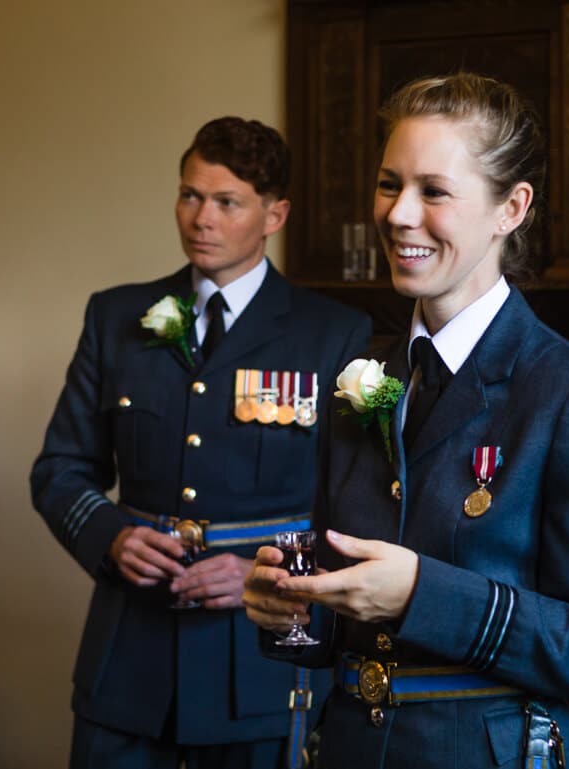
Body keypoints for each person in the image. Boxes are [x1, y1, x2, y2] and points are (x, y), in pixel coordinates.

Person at [242, 73, 569, 769]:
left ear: (510, 208)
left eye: (433, 191)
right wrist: (290, 607)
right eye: (388, 183)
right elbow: (342, 609)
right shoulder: (360, 380)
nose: (399, 214)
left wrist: (421, 594)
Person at [30, 116, 371, 769]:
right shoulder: (117, 316)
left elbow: (354, 508)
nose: (200, 218)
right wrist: (111, 536)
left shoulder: (333, 334)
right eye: (189, 195)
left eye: (225, 202)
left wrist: (262, 569)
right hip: (129, 660)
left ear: (275, 215)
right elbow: (60, 468)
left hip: (261, 660)